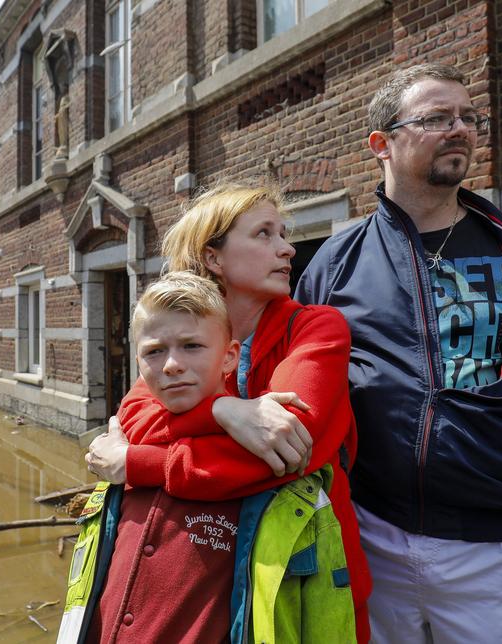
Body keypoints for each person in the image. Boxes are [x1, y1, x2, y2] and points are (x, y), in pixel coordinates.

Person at [295, 63, 502, 642]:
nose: (460, 128)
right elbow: (286, 376)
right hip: (373, 535)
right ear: (381, 144)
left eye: (468, 117)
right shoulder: (333, 264)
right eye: (436, 118)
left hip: (500, 547)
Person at [84, 183, 371, 642]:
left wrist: (139, 462)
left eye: (282, 233)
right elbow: (136, 415)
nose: (287, 248)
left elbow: (286, 450)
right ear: (213, 257)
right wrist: (227, 412)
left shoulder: (315, 328)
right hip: (201, 584)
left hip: (297, 582)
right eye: (264, 234)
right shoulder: (184, 331)